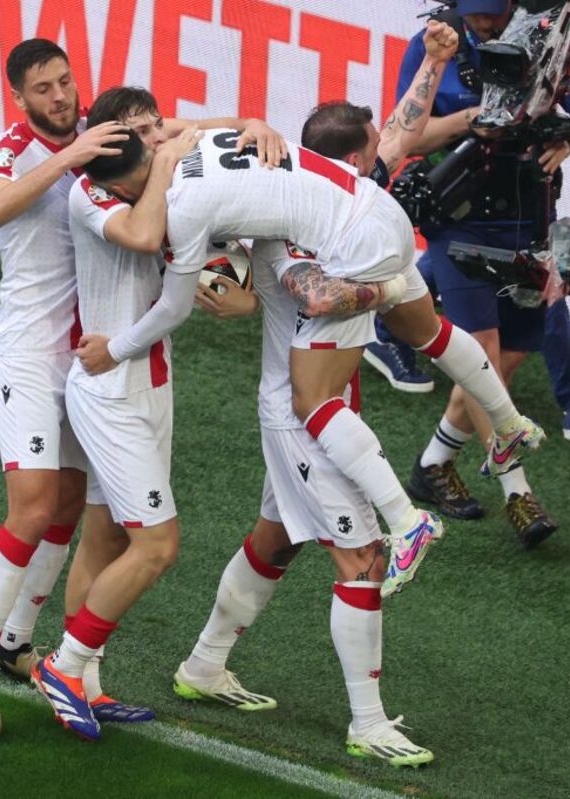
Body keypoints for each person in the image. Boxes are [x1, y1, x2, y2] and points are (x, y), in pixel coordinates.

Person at [79, 90, 547, 599]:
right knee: (428, 332)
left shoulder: (182, 203)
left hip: (351, 246)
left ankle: (407, 522)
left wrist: (116, 349)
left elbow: (173, 308)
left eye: (125, 193)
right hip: (376, 209)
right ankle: (509, 425)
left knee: (311, 398)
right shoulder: (198, 136)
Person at [23, 87, 285, 740]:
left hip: (149, 381)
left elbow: (207, 127)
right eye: (140, 131)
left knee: (107, 536)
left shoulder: (155, 150)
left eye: (155, 126)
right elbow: (143, 235)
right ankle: (63, 664)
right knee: (157, 546)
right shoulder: (93, 190)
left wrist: (252, 123)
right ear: (111, 140)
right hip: (110, 388)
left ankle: (85, 683)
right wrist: (172, 162)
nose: (158, 136)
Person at [174, 237, 435, 767]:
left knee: (275, 541)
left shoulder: (333, 222)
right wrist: (391, 285)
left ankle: (204, 665)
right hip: (306, 426)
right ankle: (368, 723)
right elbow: (319, 299)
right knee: (362, 561)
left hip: (321, 417)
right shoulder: (290, 233)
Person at [0, 38, 132, 736]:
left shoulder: (100, 129)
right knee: (30, 508)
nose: (61, 97)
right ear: (21, 99)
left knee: (67, 504)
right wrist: (67, 158)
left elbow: (165, 132)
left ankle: (14, 643)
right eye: (45, 89)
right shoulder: (12, 148)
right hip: (28, 354)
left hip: (86, 360)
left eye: (65, 82)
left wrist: (253, 127)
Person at [394, 0, 570, 546]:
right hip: (459, 222)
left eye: (496, 12)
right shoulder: (437, 46)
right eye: (479, 14)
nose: (488, 24)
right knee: (482, 360)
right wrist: (471, 121)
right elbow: (407, 134)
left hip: (529, 221)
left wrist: (567, 140)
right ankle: (518, 492)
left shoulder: (543, 43)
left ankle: (434, 463)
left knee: (505, 362)